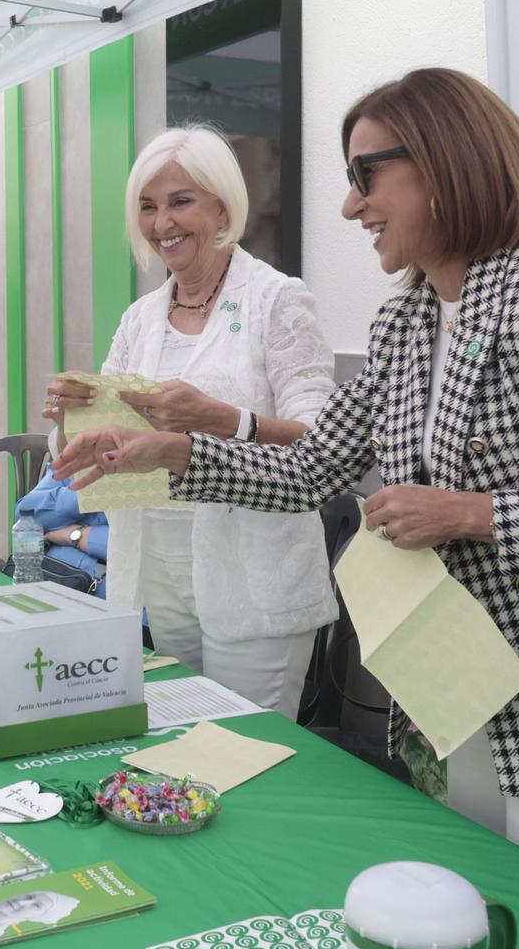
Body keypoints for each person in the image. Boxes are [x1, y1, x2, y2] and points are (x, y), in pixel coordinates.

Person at [58, 75, 519, 900]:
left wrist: (471, 514)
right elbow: (312, 469)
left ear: (443, 166)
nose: (351, 207)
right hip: (451, 681)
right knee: (479, 912)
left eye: (363, 176)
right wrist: (173, 452)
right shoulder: (404, 320)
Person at [43, 126, 337, 721]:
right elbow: (102, 455)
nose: (161, 224)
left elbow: (324, 441)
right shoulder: (141, 317)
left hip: (256, 574)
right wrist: (73, 423)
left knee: (255, 753)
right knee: (188, 743)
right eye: (147, 207)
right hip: (160, 567)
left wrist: (222, 419)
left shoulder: (277, 301)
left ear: (223, 207)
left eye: (180, 202)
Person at [14, 463, 109, 596]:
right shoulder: (82, 460)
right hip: (41, 578)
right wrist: (90, 489)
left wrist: (76, 535)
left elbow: (132, 547)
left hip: (102, 594)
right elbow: (25, 514)